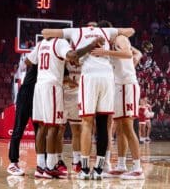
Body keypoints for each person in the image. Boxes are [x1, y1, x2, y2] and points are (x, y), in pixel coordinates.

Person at [42, 23, 135, 180]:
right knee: (103, 124)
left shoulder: (76, 31)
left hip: (90, 77)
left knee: (86, 123)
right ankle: (99, 169)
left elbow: (45, 31)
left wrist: (61, 37)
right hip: (107, 77)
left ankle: (84, 169)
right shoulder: (106, 31)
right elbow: (131, 30)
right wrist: (117, 36)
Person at [26, 36, 103, 179]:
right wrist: (67, 79)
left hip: (52, 89)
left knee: (49, 127)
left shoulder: (43, 44)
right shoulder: (62, 47)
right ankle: (53, 164)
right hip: (57, 90)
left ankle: (48, 165)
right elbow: (70, 60)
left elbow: (27, 61)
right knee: (55, 128)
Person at [91, 25, 144, 179]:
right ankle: (121, 165)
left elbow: (128, 54)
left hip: (128, 86)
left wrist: (105, 52)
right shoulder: (109, 44)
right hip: (118, 86)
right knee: (120, 128)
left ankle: (137, 168)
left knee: (128, 126)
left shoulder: (120, 38)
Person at [63, 60, 82, 173]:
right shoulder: (64, 59)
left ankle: (76, 160)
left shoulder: (84, 60)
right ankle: (56, 160)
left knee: (77, 131)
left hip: (77, 96)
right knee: (58, 130)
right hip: (63, 95)